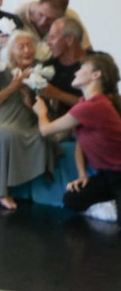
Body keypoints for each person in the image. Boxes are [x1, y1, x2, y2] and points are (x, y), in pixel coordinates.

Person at [0, 30, 59, 209]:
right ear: (11, 52)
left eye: (29, 46)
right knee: (5, 133)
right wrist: (12, 87)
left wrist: (29, 101)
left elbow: (43, 105)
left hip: (26, 117)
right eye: (21, 47)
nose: (27, 50)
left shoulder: (39, 70)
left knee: (47, 136)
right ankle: (1, 192)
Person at [33, 52, 121, 218]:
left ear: (96, 75)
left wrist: (41, 111)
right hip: (108, 176)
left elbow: (45, 130)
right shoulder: (84, 104)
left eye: (81, 68)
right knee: (72, 199)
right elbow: (81, 142)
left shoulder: (94, 106)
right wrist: (82, 174)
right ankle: (112, 204)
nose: (75, 72)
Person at [40, 16, 90, 120]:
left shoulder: (97, 62)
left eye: (52, 37)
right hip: (62, 123)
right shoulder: (49, 66)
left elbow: (100, 104)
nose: (48, 42)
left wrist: (58, 94)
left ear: (69, 40)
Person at [15, 0, 92, 49]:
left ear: (62, 16)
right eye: (40, 15)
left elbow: (85, 48)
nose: (43, 22)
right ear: (38, 5)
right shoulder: (21, 13)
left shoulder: (70, 18)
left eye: (50, 19)